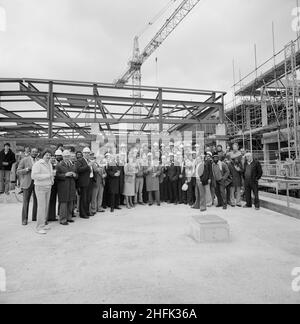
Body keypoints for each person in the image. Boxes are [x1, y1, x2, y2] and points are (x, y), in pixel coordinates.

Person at [31, 149, 54, 235]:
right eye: (46, 155)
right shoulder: (38, 164)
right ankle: (39, 227)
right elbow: (34, 176)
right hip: (40, 187)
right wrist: (48, 176)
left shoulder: (49, 164)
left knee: (45, 207)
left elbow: (51, 174)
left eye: (49, 155)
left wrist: (52, 181)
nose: (48, 156)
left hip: (48, 187)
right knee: (41, 207)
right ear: (42, 155)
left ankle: (43, 224)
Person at [17, 148, 38, 225]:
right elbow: (18, 171)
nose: (34, 153)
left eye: (36, 152)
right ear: (30, 152)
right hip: (27, 183)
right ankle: (24, 219)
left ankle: (35, 217)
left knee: (37, 201)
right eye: (33, 151)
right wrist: (26, 169)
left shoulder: (39, 160)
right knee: (26, 202)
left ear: (37, 153)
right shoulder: (24, 160)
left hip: (36, 183)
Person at [56, 150, 77, 225]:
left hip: (71, 186)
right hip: (63, 186)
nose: (67, 157)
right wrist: (65, 175)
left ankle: (69, 217)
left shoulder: (72, 164)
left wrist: (75, 175)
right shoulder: (59, 165)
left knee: (70, 202)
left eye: (68, 156)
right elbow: (57, 176)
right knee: (64, 203)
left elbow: (77, 175)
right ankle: (63, 219)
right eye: (65, 156)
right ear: (62, 157)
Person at [75, 148, 92, 219]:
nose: (87, 154)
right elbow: (78, 170)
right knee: (83, 199)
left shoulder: (89, 161)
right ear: (83, 153)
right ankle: (83, 214)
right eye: (85, 153)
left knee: (88, 198)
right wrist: (88, 166)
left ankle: (87, 211)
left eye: (88, 153)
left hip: (89, 181)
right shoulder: (80, 160)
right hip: (83, 182)